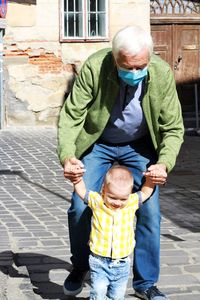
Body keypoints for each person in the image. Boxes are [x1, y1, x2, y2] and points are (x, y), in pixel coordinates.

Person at [57, 25, 184, 300]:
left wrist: (163, 163)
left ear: (149, 59)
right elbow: (71, 116)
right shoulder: (95, 67)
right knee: (80, 206)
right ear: (115, 59)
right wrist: (68, 156)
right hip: (99, 143)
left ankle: (145, 282)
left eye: (142, 66)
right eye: (129, 67)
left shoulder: (160, 73)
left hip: (139, 145)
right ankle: (80, 268)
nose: (135, 72)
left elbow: (173, 127)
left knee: (149, 211)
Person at [71, 164, 155, 300]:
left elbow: (145, 193)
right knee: (98, 292)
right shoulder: (97, 201)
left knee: (117, 296)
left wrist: (150, 181)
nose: (118, 202)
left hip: (122, 263)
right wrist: (77, 180)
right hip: (99, 261)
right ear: (104, 191)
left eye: (123, 198)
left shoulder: (131, 203)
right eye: (113, 197)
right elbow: (82, 192)